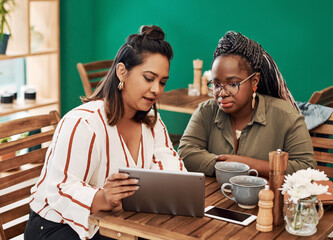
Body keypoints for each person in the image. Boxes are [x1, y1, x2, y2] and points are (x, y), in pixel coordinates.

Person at [24, 25, 186, 240]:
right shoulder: (82, 122)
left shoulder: (152, 122)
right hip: (55, 226)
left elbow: (170, 166)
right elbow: (61, 188)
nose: (157, 89)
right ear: (122, 72)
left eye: (162, 82)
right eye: (149, 78)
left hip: (113, 221)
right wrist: (104, 197)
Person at [178, 31, 316, 178]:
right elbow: (186, 153)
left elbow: (306, 168)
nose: (222, 93)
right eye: (217, 84)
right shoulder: (206, 111)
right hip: (215, 198)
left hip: (265, 199)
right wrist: (226, 165)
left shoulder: (286, 116)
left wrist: (244, 164)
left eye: (233, 84)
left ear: (254, 81)